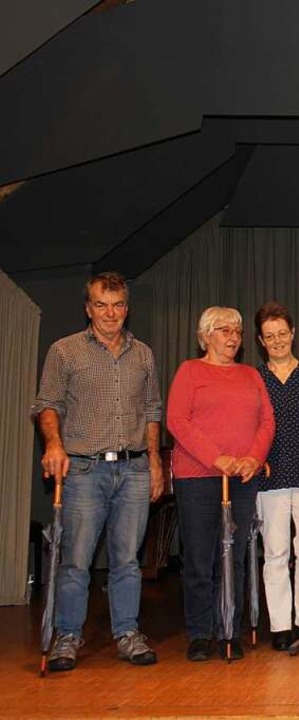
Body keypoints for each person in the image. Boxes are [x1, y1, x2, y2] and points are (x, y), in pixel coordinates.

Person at [32, 271, 164, 671]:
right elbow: (47, 404)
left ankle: (127, 633)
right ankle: (67, 636)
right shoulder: (64, 351)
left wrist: (155, 461)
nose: (111, 313)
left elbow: (153, 410)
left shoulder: (143, 353)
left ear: (127, 308)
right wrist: (54, 443)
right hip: (84, 471)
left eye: (118, 305)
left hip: (134, 469)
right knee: (76, 560)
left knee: (127, 561)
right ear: (88, 308)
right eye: (102, 305)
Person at [167, 306, 275, 662]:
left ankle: (229, 628)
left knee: (235, 557)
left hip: (243, 478)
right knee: (200, 558)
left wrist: (253, 459)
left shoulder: (250, 375)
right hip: (198, 477)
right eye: (224, 330)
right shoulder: (190, 370)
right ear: (206, 335)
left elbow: (267, 420)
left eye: (237, 331)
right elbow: (178, 421)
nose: (232, 337)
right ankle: (200, 633)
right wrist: (218, 458)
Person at [254, 302, 299, 652]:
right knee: (276, 552)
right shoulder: (253, 378)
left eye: (282, 333)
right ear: (260, 340)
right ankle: (280, 626)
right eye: (270, 336)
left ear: (293, 333)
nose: (278, 340)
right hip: (269, 477)